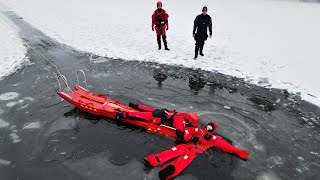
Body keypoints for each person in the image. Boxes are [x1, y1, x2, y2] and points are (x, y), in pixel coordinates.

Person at [144, 122, 249, 180]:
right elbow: (188, 131)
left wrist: (238, 152)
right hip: (187, 145)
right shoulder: (198, 130)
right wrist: (188, 137)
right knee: (173, 150)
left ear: (212, 130)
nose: (208, 128)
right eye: (208, 126)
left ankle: (170, 171)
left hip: (195, 151)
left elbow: (226, 146)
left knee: (183, 161)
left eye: (210, 127)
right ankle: (153, 160)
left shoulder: (214, 139)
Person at [116, 103, 199, 142]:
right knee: (142, 115)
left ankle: (134, 105)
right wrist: (191, 138)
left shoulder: (183, 115)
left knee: (148, 108)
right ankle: (122, 114)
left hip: (164, 112)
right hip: (159, 117)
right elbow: (179, 133)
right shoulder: (182, 121)